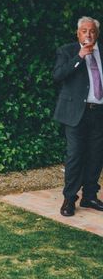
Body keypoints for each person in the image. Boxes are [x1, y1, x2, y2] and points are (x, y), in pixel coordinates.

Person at [53, 16, 103, 217]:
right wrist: (80, 57)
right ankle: (69, 198)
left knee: (96, 155)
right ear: (78, 33)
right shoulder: (67, 51)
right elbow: (58, 75)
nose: (88, 34)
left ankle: (90, 196)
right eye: (84, 31)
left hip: (98, 112)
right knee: (75, 155)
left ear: (97, 33)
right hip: (76, 114)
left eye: (92, 31)